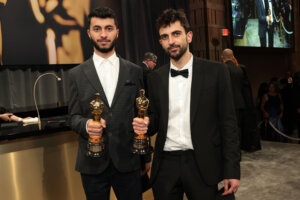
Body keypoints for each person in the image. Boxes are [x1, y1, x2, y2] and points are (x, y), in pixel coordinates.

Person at [133, 8, 240, 200]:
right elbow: (156, 119)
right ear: (160, 42)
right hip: (165, 165)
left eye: (176, 34)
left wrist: (231, 169)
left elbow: (228, 123)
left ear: (189, 36)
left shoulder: (216, 72)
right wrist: (147, 123)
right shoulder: (155, 78)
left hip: (202, 163)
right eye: (165, 37)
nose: (171, 41)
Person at [68, 7, 147, 200]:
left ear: (117, 32)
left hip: (129, 161)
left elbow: (144, 114)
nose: (103, 34)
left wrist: (146, 156)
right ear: (89, 33)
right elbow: (73, 117)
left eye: (109, 28)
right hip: (92, 164)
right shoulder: (75, 74)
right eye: (97, 29)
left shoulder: (135, 71)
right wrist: (86, 125)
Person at [222, 49, 261, 151]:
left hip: (227, 103)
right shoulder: (240, 69)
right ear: (233, 56)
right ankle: (237, 149)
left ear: (222, 57)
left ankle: (230, 149)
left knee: (228, 128)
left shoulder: (222, 68)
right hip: (240, 102)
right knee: (238, 127)